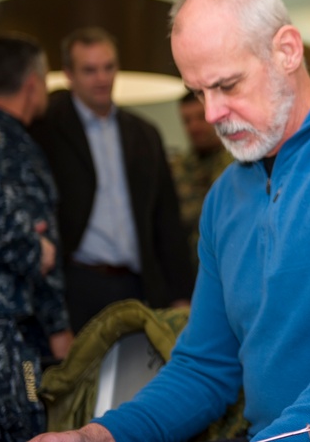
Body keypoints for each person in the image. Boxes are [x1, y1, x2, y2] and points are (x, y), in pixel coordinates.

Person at [30, 0, 310, 442]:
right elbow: (204, 367)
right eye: (199, 92)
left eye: (228, 85)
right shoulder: (224, 197)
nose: (212, 112)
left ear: (287, 51)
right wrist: (100, 435)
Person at [28, 27, 194, 332]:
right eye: (89, 70)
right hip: (77, 284)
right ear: (68, 74)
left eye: (108, 67)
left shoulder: (144, 133)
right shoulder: (47, 128)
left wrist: (181, 294)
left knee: (140, 378)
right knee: (78, 378)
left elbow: (166, 218)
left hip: (138, 283)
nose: (102, 78)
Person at [0, 34, 72, 442]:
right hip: (8, 331)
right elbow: (19, 234)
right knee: (24, 428)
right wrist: (59, 326)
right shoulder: (15, 148)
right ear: (32, 85)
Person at [168, 92, 233, 259]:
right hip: (193, 269)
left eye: (200, 118)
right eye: (187, 121)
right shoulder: (177, 169)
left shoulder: (242, 164)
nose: (194, 127)